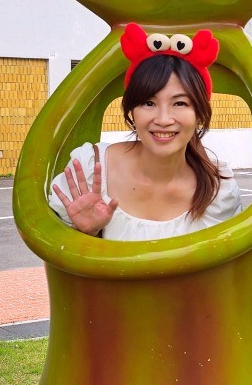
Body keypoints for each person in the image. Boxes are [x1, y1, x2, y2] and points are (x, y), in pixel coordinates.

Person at [50, 24, 241, 240]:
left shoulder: (219, 190)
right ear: (131, 110)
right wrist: (88, 233)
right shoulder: (89, 169)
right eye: (149, 103)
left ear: (199, 113)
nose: (163, 119)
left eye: (180, 103)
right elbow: (58, 257)